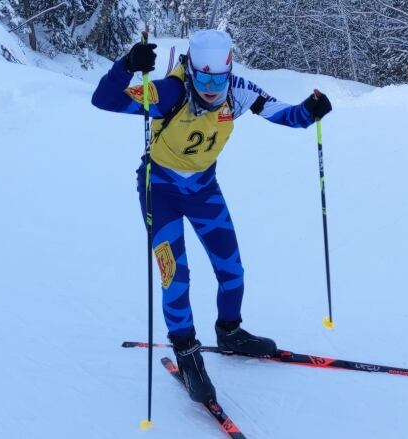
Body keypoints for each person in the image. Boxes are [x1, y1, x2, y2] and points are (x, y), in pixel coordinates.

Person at [91, 29, 332, 403]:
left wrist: (310, 110)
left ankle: (230, 330)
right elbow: (103, 99)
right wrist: (126, 66)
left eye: (218, 78)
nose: (211, 87)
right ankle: (186, 352)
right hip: (161, 192)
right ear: (189, 69)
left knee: (231, 269)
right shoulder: (171, 92)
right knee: (176, 275)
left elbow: (285, 114)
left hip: (204, 190)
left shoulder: (236, 91)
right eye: (204, 78)